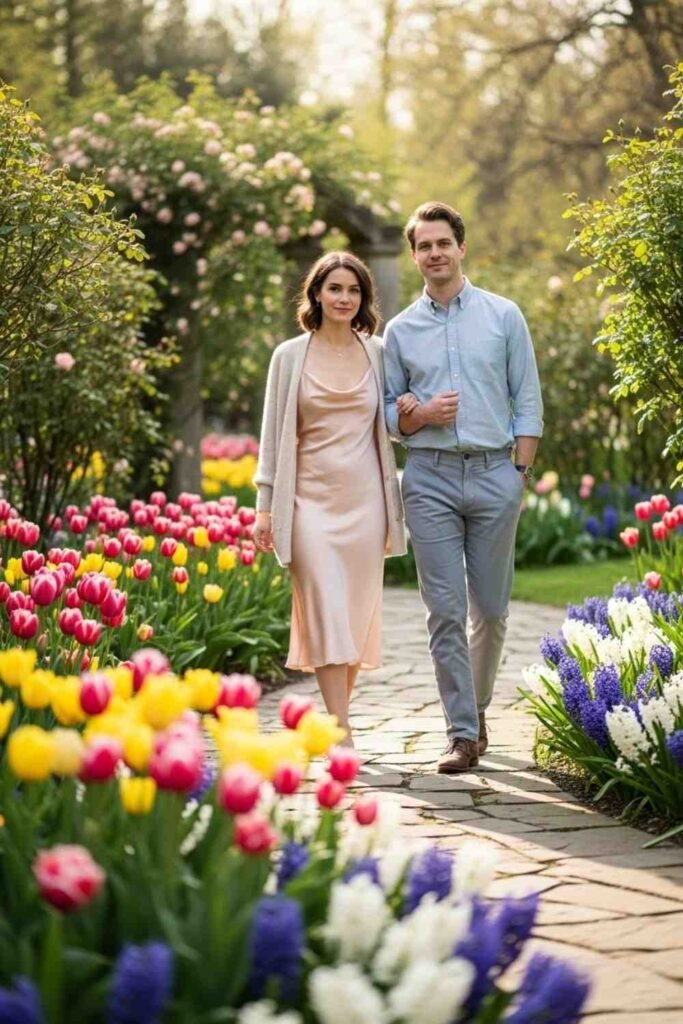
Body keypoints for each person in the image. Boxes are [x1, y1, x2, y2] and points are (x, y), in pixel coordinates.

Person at [383, 201, 543, 773]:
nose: (433, 254)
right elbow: (388, 417)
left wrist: (518, 473)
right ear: (415, 255)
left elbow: (527, 399)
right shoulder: (399, 331)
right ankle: (463, 733)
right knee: (445, 611)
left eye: (442, 243)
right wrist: (419, 416)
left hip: (495, 475)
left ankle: (474, 712)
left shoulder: (504, 317)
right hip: (428, 481)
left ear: (460, 247)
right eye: (423, 246)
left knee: (493, 611)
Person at [253, 251, 406, 747]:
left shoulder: (379, 352)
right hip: (307, 505)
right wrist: (264, 506)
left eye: (354, 290)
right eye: (335, 288)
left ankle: (338, 717)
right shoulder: (289, 355)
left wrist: (412, 411)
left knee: (355, 614)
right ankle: (340, 728)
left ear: (363, 298)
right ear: (316, 293)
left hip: (366, 503)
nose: (344, 298)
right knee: (324, 609)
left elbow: (395, 426)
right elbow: (272, 434)